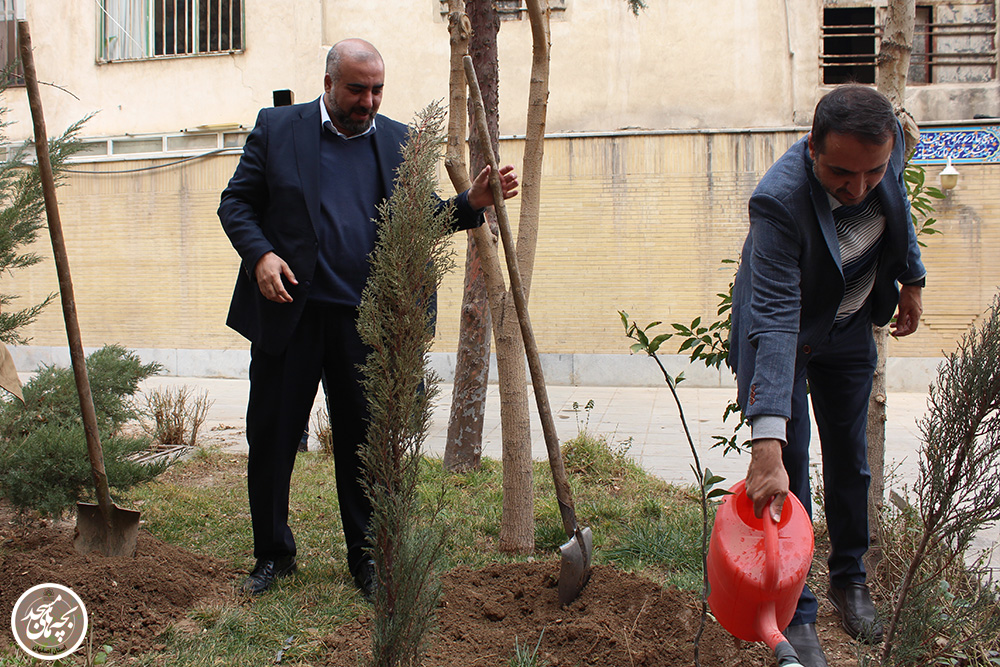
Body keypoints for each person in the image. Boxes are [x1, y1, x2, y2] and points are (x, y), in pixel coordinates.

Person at [219, 38, 518, 599]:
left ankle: (368, 560)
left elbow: (418, 223)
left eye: (377, 90)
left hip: (367, 324)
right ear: (329, 82)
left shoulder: (401, 142)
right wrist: (260, 255)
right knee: (273, 437)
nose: (369, 101)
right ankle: (273, 555)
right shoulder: (278, 129)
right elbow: (235, 202)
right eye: (357, 89)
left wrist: (470, 204)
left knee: (366, 445)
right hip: (290, 313)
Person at [728, 85, 925, 667]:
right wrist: (766, 443)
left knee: (850, 459)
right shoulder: (778, 201)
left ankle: (849, 578)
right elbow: (773, 318)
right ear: (813, 147)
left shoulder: (883, 152)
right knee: (787, 468)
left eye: (872, 172)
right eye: (842, 173)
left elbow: (898, 205)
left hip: (850, 326)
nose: (859, 187)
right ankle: (797, 606)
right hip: (786, 335)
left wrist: (912, 280)